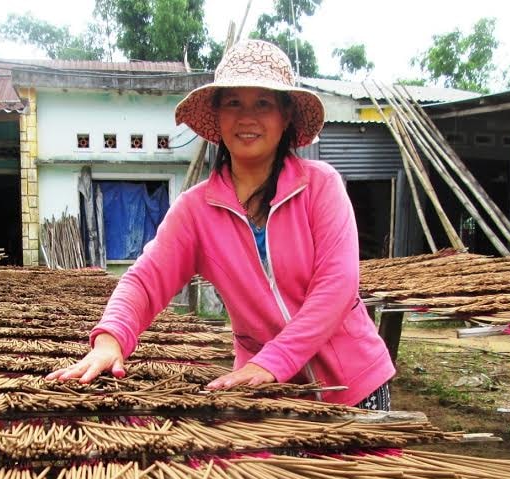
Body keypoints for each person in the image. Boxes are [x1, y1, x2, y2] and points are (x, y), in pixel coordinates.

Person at [47, 39, 395, 409]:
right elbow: (145, 280)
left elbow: (337, 288)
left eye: (263, 102)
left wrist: (273, 360)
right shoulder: (196, 210)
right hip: (266, 395)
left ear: (286, 115)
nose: (248, 117)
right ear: (217, 116)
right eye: (234, 103)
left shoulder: (320, 186)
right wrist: (110, 340)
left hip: (354, 384)